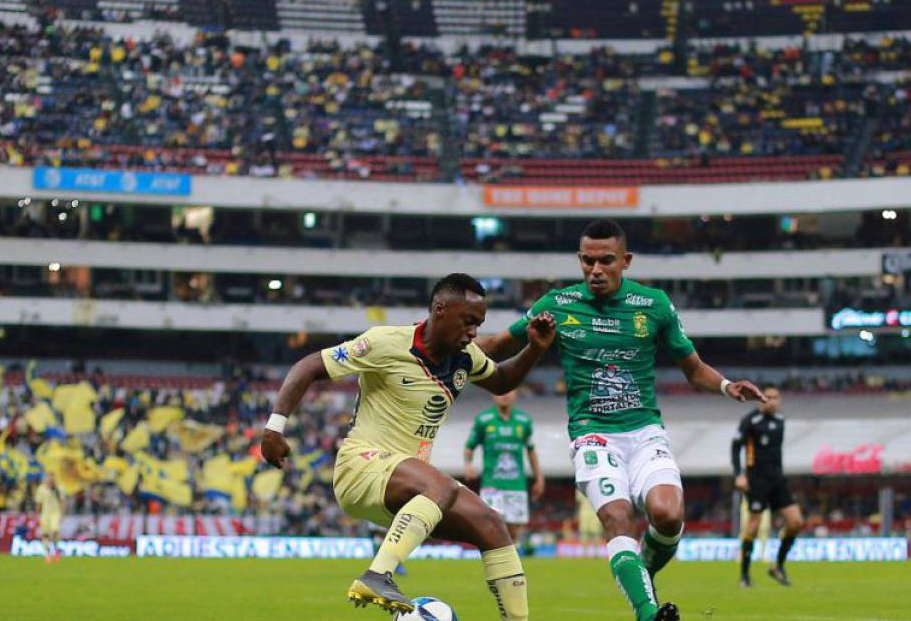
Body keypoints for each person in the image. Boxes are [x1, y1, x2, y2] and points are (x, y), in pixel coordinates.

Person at [479, 219, 766, 621]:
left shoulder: (654, 305)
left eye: (606, 261)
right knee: (616, 517)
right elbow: (495, 345)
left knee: (668, 515)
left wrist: (727, 386)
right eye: (588, 261)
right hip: (592, 435)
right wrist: (434, 343)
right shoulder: (557, 305)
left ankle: (640, 572)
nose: (596, 270)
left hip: (645, 432)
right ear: (580, 261)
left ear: (625, 261)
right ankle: (649, 612)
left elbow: (694, 368)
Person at [261, 273, 556, 619]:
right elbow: (309, 365)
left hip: (410, 487)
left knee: (491, 524)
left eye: (478, 324)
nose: (473, 332)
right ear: (440, 309)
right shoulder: (386, 342)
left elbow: (503, 379)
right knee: (441, 484)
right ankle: (377, 574)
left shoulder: (464, 358)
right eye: (468, 321)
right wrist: (274, 427)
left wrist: (535, 349)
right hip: (361, 468)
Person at [731, 387, 803, 587]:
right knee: (753, 527)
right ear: (760, 399)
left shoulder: (780, 421)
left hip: (777, 479)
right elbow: (736, 447)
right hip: (756, 480)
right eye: (767, 397)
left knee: (796, 522)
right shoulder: (750, 421)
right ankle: (744, 576)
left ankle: (778, 566)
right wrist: (739, 474)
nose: (771, 401)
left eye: (775, 398)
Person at [463, 390, 544, 547]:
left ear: (516, 394)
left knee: (514, 529)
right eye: (501, 391)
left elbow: (531, 451)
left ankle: (511, 566)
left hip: (516, 485)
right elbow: (469, 447)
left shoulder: (524, 421)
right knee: (492, 526)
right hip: (492, 484)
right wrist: (468, 465)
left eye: (509, 391)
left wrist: (539, 477)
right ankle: (496, 564)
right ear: (493, 394)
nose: (504, 395)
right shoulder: (484, 420)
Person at [34, 473, 63, 563]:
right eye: (49, 478)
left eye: (52, 479)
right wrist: (37, 515)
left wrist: (62, 513)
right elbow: (39, 503)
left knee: (55, 531)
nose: (51, 480)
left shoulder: (58, 489)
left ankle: (56, 550)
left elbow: (62, 502)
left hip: (55, 513)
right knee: (45, 533)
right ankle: (47, 554)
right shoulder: (41, 489)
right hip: (45, 514)